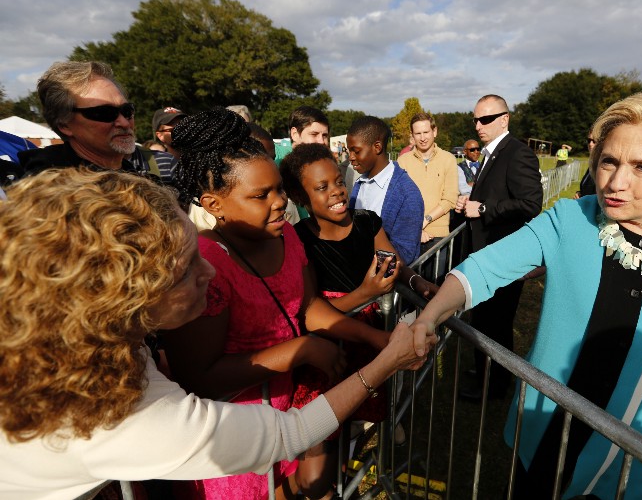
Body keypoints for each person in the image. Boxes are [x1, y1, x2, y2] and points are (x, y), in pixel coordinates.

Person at [0, 167, 431, 500]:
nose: (209, 271)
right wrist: (388, 361)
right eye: (186, 267)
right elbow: (290, 433)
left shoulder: (96, 350)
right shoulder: (112, 419)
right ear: (122, 297)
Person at [413, 88, 642, 499]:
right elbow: (484, 268)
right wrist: (428, 317)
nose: (616, 181)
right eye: (609, 161)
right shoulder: (570, 217)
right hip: (548, 433)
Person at [163, 108, 392, 499]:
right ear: (213, 204)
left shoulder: (285, 235)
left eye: (279, 190)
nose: (278, 204)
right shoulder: (204, 265)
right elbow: (198, 375)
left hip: (283, 416)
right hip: (232, 436)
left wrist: (372, 337)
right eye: (260, 195)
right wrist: (300, 350)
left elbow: (307, 306)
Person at [279, 144, 438, 495]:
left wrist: (415, 281)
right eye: (321, 187)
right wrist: (366, 293)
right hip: (328, 355)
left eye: (338, 180)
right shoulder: (300, 240)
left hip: (367, 347)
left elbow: (393, 262)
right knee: (312, 471)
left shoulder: (366, 221)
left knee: (351, 419)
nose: (336, 191)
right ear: (297, 195)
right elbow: (313, 312)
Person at [454, 94, 542, 400]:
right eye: (476, 119)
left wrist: (482, 209)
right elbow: (496, 194)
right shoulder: (491, 153)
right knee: (485, 320)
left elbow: (531, 203)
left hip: (502, 255)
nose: (479, 125)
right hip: (487, 252)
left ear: (504, 119)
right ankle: (487, 374)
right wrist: (470, 202)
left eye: (486, 119)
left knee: (495, 324)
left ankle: (493, 386)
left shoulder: (517, 153)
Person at [17, 61, 168, 182]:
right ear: (64, 125)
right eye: (104, 113)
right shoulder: (49, 187)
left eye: (127, 110)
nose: (124, 123)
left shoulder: (137, 176)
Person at [348, 116, 425, 266]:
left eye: (356, 151)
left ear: (377, 147)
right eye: (348, 151)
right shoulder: (359, 184)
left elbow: (405, 254)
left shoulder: (407, 193)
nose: (351, 157)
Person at [398, 113, 458, 282]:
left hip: (439, 236)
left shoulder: (449, 159)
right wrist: (416, 228)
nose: (423, 138)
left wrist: (425, 220)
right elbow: (400, 201)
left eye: (426, 132)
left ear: (435, 131)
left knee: (434, 287)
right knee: (410, 289)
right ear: (412, 135)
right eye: (418, 133)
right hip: (410, 235)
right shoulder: (402, 161)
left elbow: (450, 199)